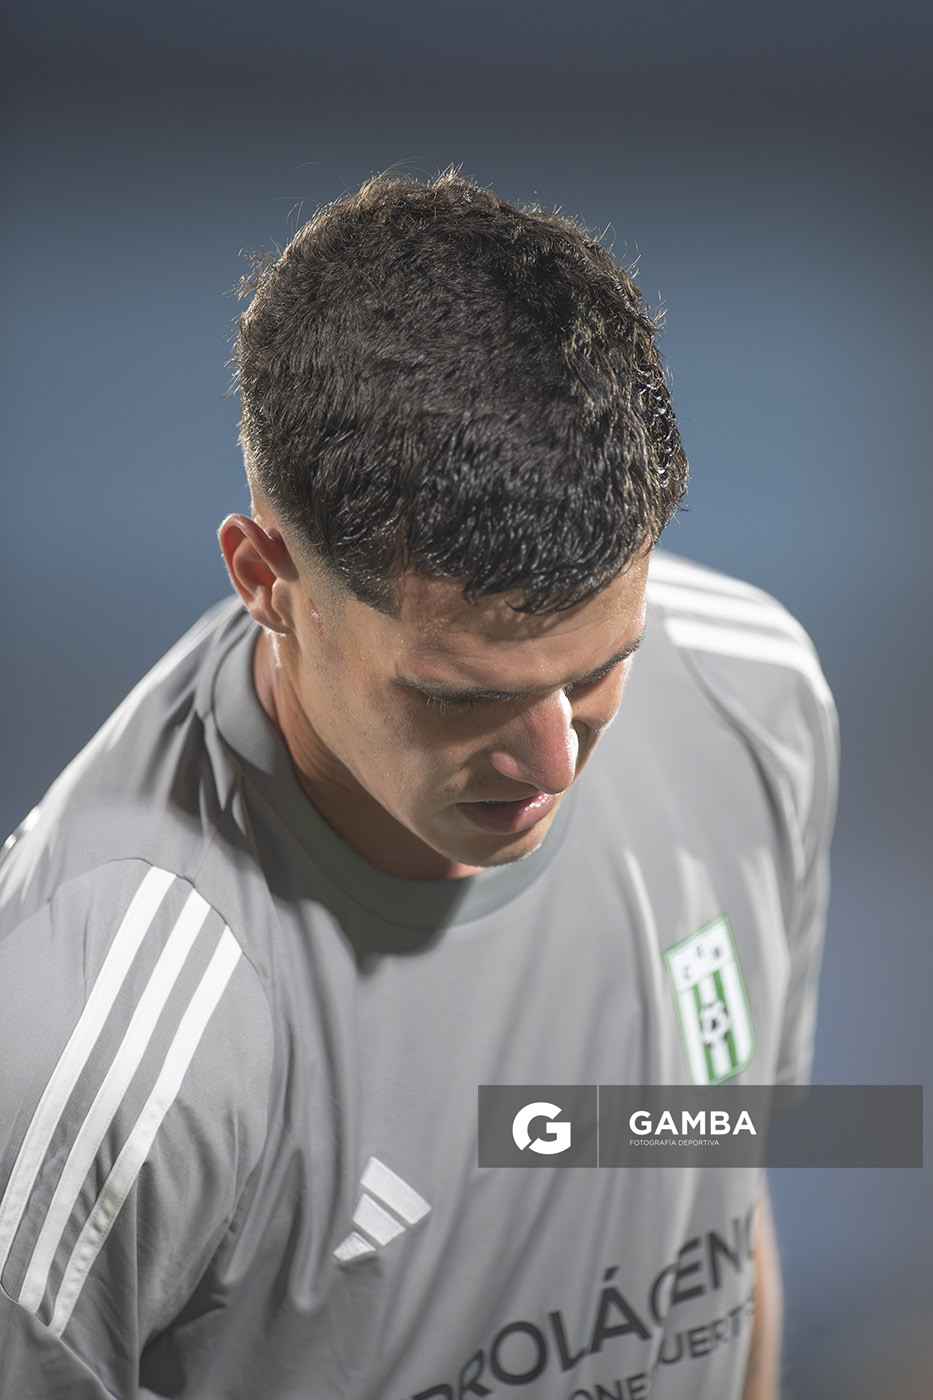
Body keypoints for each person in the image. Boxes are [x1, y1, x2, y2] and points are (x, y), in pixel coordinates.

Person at [0, 172, 837, 1400]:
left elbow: (716, 1200)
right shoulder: (87, 1051)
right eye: (459, 696)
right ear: (268, 578)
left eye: (604, 667)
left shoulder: (757, 696)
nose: (555, 761)